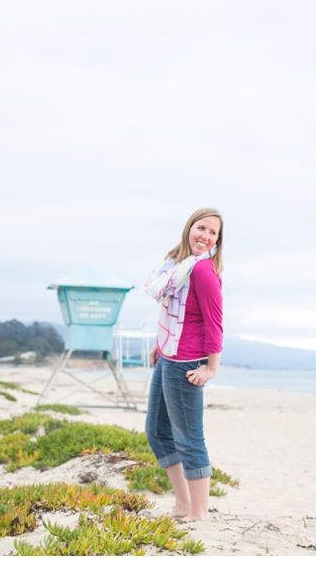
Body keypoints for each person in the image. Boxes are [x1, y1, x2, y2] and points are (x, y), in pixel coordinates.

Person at [144, 207, 224, 522]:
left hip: (188, 363)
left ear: (218, 241)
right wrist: (158, 343)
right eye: (200, 228)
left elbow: (214, 322)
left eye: (212, 233)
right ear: (189, 228)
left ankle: (199, 513)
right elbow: (171, 310)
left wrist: (211, 368)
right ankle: (182, 504)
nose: (204, 236)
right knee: (157, 431)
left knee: (189, 439)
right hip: (168, 356)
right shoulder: (177, 265)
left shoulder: (203, 271)